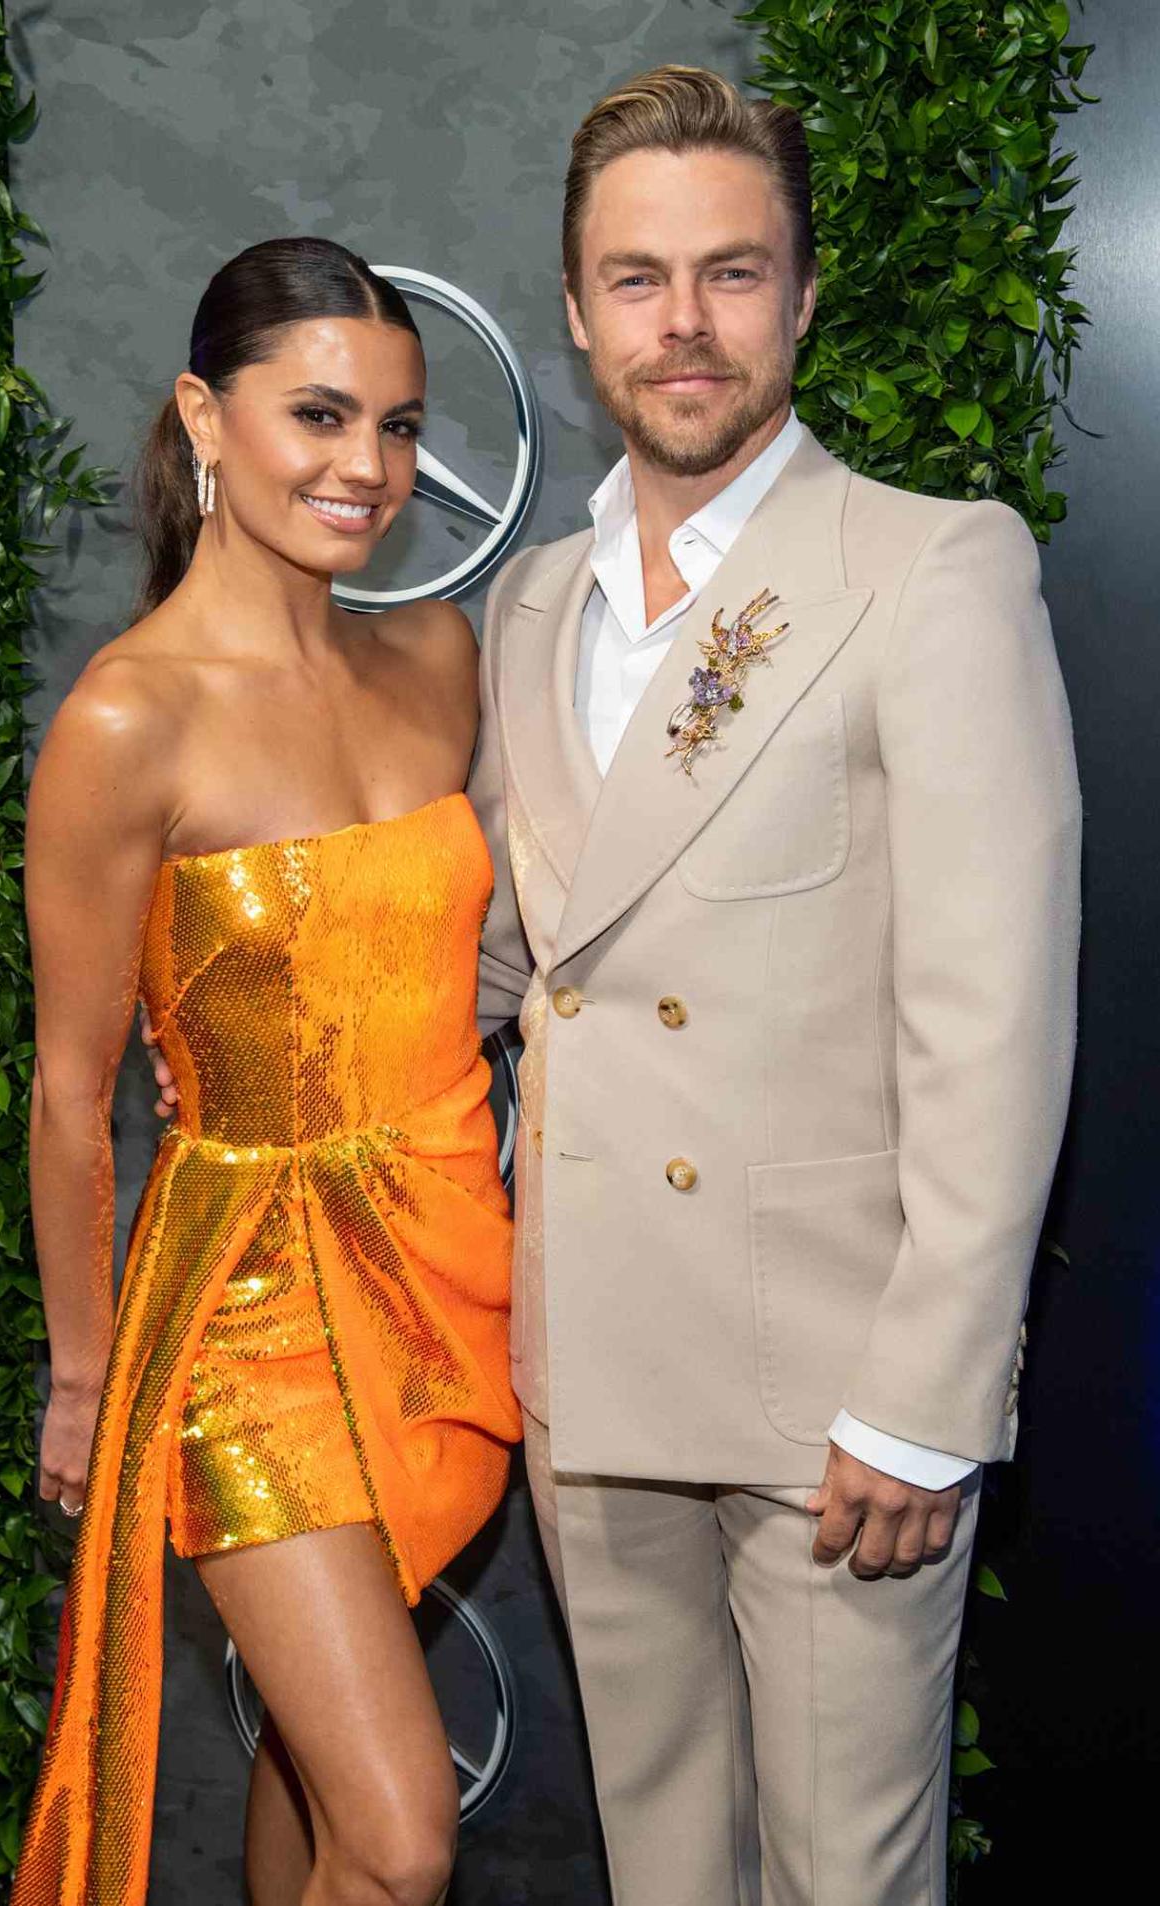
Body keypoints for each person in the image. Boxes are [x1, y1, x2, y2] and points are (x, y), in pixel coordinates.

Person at [467, 67, 1080, 1906]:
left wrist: (924, 1394)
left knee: (844, 1882)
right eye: (637, 279)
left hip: (831, 1391)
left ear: (801, 297)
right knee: (664, 1867)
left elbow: (994, 1014)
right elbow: (518, 952)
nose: (684, 323)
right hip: (590, 1349)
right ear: (577, 314)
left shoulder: (927, 565)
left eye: (730, 273)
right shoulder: (531, 603)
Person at [14, 236, 520, 1906]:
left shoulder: (438, 662)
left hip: (446, 1281)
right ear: (201, 416)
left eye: (394, 424)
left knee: (314, 1779)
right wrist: (87, 1379)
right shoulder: (126, 722)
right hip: (247, 1323)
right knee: (399, 1836)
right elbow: (73, 1088)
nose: (364, 466)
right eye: (316, 414)